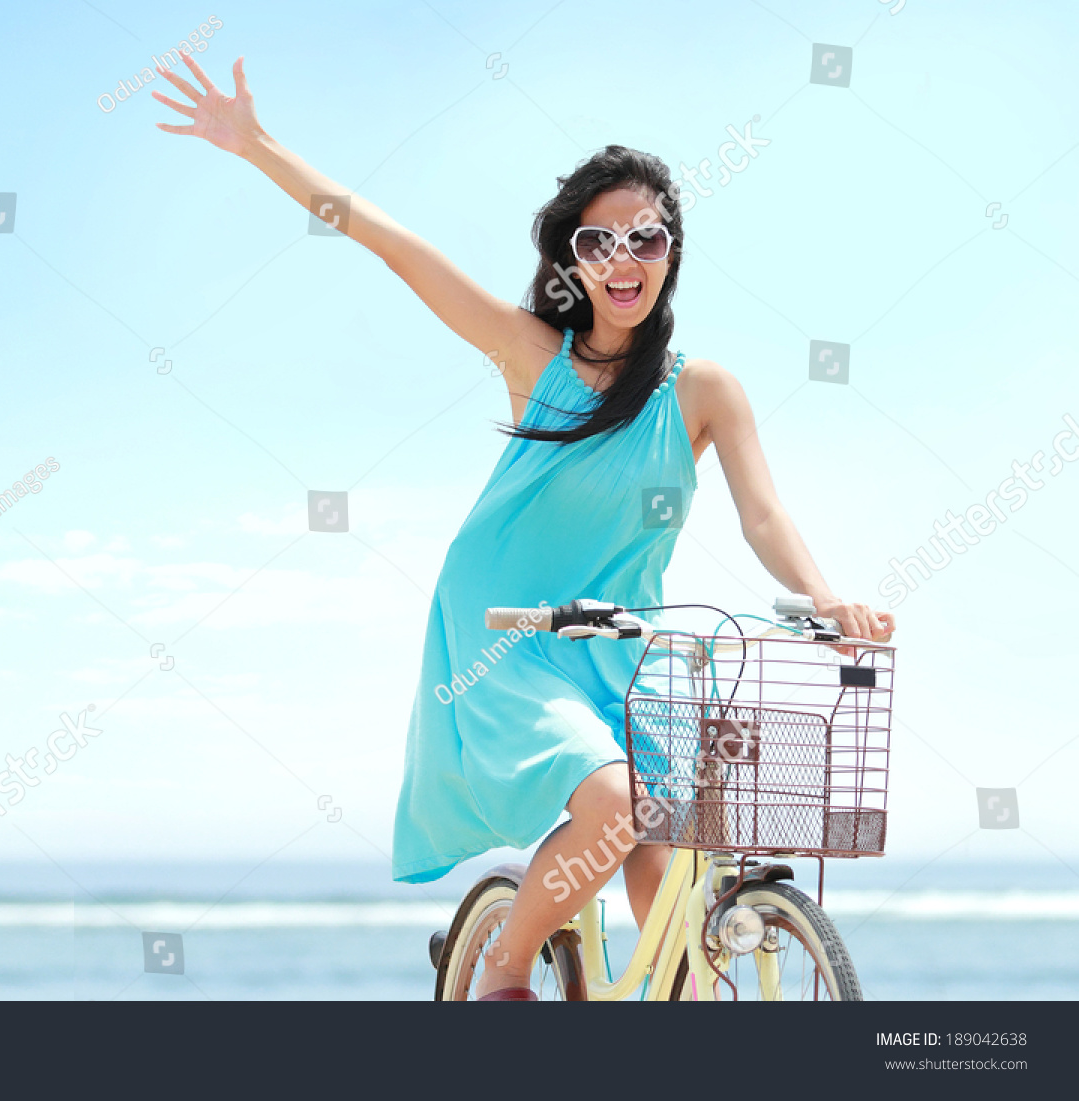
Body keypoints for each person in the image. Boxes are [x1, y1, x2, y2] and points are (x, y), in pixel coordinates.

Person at [155, 55, 895, 1000]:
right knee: (620, 803)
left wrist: (829, 599)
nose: (623, 260)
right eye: (598, 242)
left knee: (672, 836)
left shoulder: (705, 390)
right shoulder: (531, 353)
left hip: (629, 639)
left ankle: (670, 993)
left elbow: (764, 513)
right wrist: (258, 145)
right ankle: (506, 963)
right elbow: (394, 244)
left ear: (672, 250)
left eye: (647, 237)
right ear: (571, 261)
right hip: (511, 631)